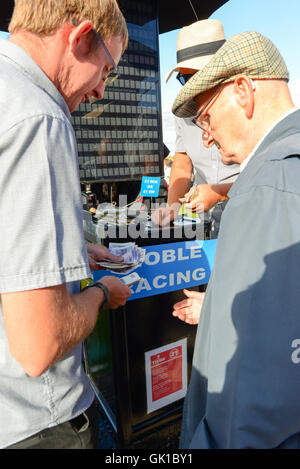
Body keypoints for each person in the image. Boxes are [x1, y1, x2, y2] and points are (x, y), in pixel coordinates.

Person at [0, 0, 132, 449]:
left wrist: (71, 246)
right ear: (79, 38)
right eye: (107, 69)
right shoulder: (40, 117)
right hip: (38, 422)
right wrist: (100, 293)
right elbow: (41, 342)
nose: (100, 91)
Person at [172, 29, 300, 449]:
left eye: (206, 117)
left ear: (243, 91)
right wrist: (228, 303)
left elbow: (249, 399)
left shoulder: (263, 186)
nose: (205, 136)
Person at [152, 19, 239, 237]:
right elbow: (181, 163)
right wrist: (172, 208)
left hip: (246, 215)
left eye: (195, 76)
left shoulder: (246, 105)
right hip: (203, 220)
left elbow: (264, 176)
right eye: (185, 78)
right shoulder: (183, 111)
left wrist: (219, 193)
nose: (191, 86)